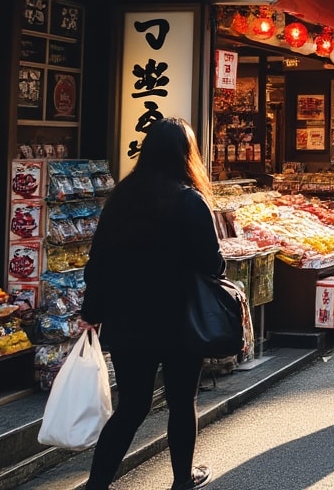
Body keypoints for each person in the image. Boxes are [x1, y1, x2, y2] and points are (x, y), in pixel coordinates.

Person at [81, 118, 222, 490]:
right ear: (186, 154)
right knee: (181, 401)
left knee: (131, 406)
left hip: (128, 321)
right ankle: (181, 481)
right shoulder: (190, 201)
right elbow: (213, 264)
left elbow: (99, 262)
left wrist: (91, 313)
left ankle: (97, 483)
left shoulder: (122, 197)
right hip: (181, 321)